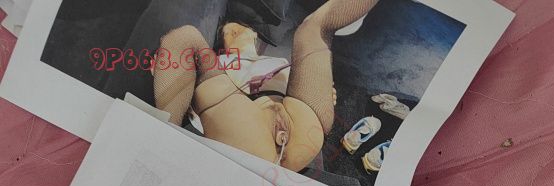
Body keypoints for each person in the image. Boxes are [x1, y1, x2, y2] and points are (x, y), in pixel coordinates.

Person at [153, 0, 382, 172]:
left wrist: (323, 89)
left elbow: (303, 84)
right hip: (271, 134)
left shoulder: (272, 62)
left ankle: (158, 140)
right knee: (185, 38)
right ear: (226, 40)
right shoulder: (223, 63)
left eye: (246, 32)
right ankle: (158, 140)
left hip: (290, 123)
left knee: (313, 27)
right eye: (234, 30)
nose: (243, 32)